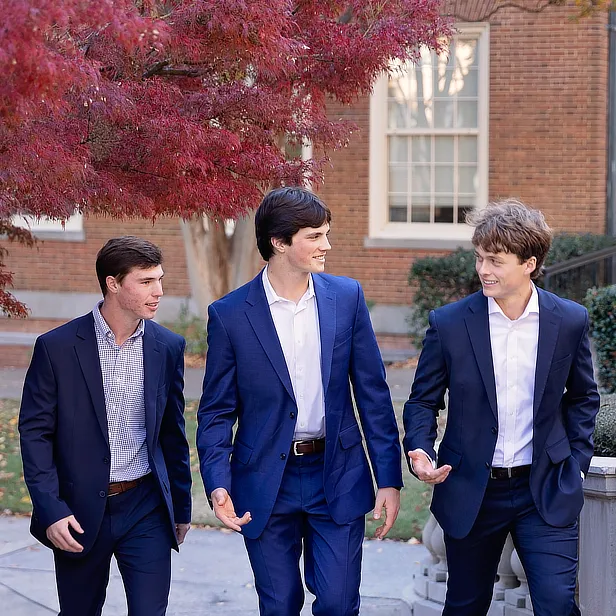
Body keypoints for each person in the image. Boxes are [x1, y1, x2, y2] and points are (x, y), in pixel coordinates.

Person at [196, 186, 402, 616]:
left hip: (338, 474)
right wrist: (218, 482)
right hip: (266, 479)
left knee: (339, 604)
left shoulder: (346, 298)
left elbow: (373, 394)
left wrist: (388, 478)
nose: (326, 245)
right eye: (315, 236)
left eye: (326, 234)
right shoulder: (230, 315)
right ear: (279, 241)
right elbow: (216, 411)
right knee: (280, 604)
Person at [403, 199, 600, 616]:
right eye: (479, 258)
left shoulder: (568, 320)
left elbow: (583, 397)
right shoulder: (450, 323)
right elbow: (422, 399)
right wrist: (420, 448)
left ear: (529, 263)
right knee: (465, 605)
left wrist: (577, 464)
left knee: (558, 604)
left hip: (543, 488)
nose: (483, 270)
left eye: (495, 260)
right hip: (472, 488)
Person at [19, 236, 192, 616]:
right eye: (146, 281)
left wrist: (180, 508)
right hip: (78, 511)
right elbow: (35, 434)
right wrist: (51, 509)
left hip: (146, 507)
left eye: (160, 280)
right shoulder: (57, 347)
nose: (159, 291)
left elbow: (172, 434)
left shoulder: (167, 346)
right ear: (113, 283)